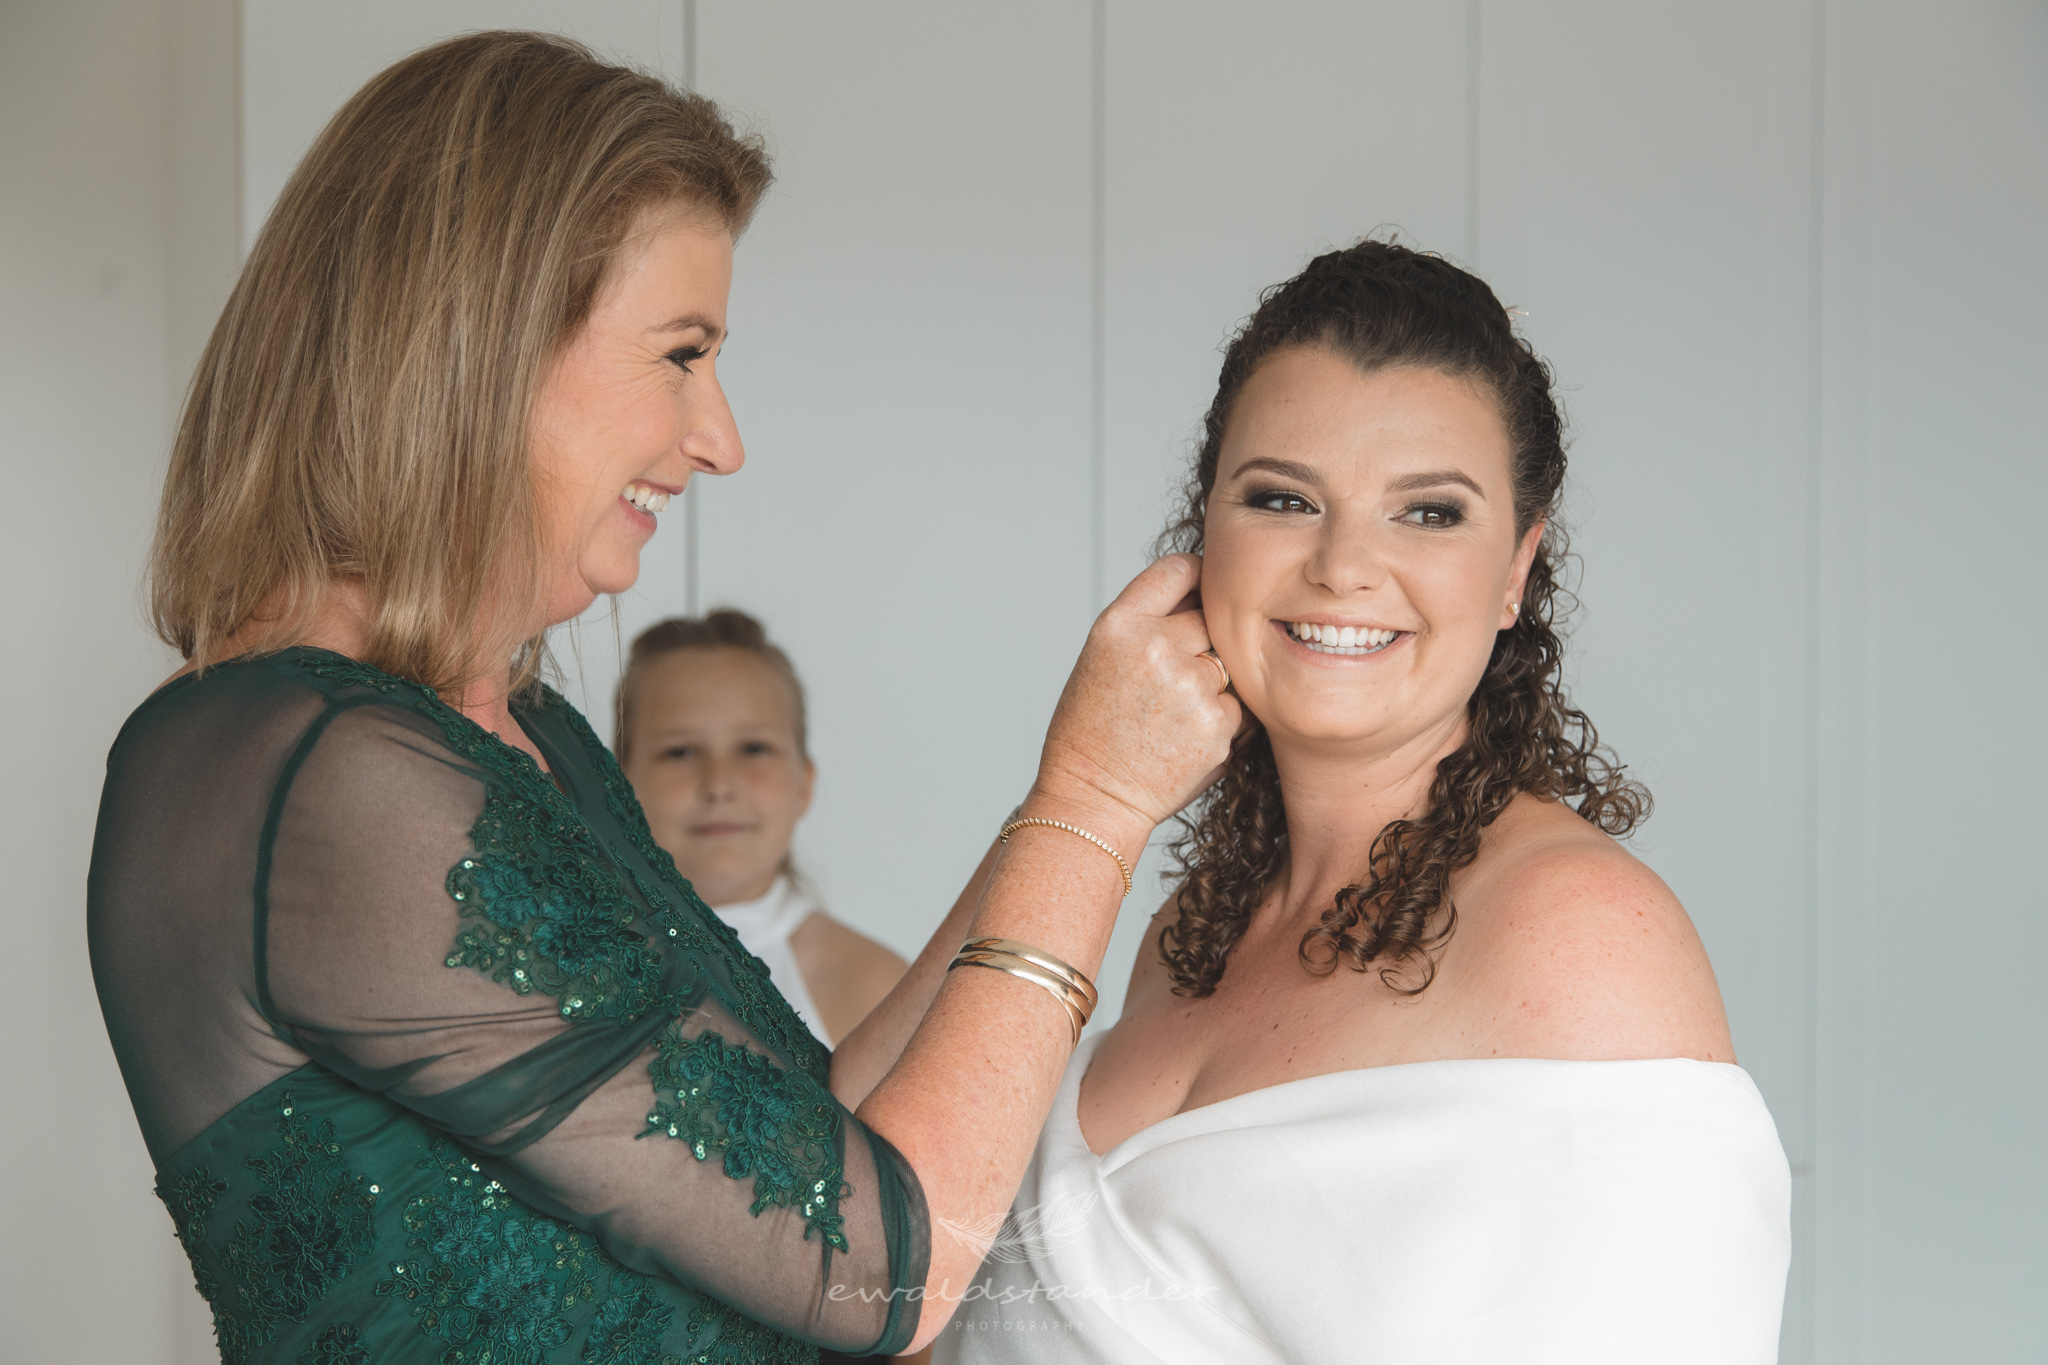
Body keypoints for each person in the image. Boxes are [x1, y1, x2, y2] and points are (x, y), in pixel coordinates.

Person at [86, 31, 1238, 1363]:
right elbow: (878, 1271)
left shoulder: (527, 736)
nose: (720, 439)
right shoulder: (321, 776)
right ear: (482, 342)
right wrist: (1098, 802)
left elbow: (800, 1149)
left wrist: (1057, 799)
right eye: (682, 353)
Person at [909, 242, 1788, 1362]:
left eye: (1428, 513)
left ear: (1515, 571)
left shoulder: (1579, 935)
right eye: (1282, 499)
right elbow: (866, 1221)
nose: (1341, 566)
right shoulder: (1187, 932)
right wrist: (1082, 794)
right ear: (1204, 537)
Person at [616, 610, 907, 1046]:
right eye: (680, 752)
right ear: (619, 783)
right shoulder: (566, 961)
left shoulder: (878, 989)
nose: (719, 785)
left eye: (753, 748)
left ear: (803, 785)